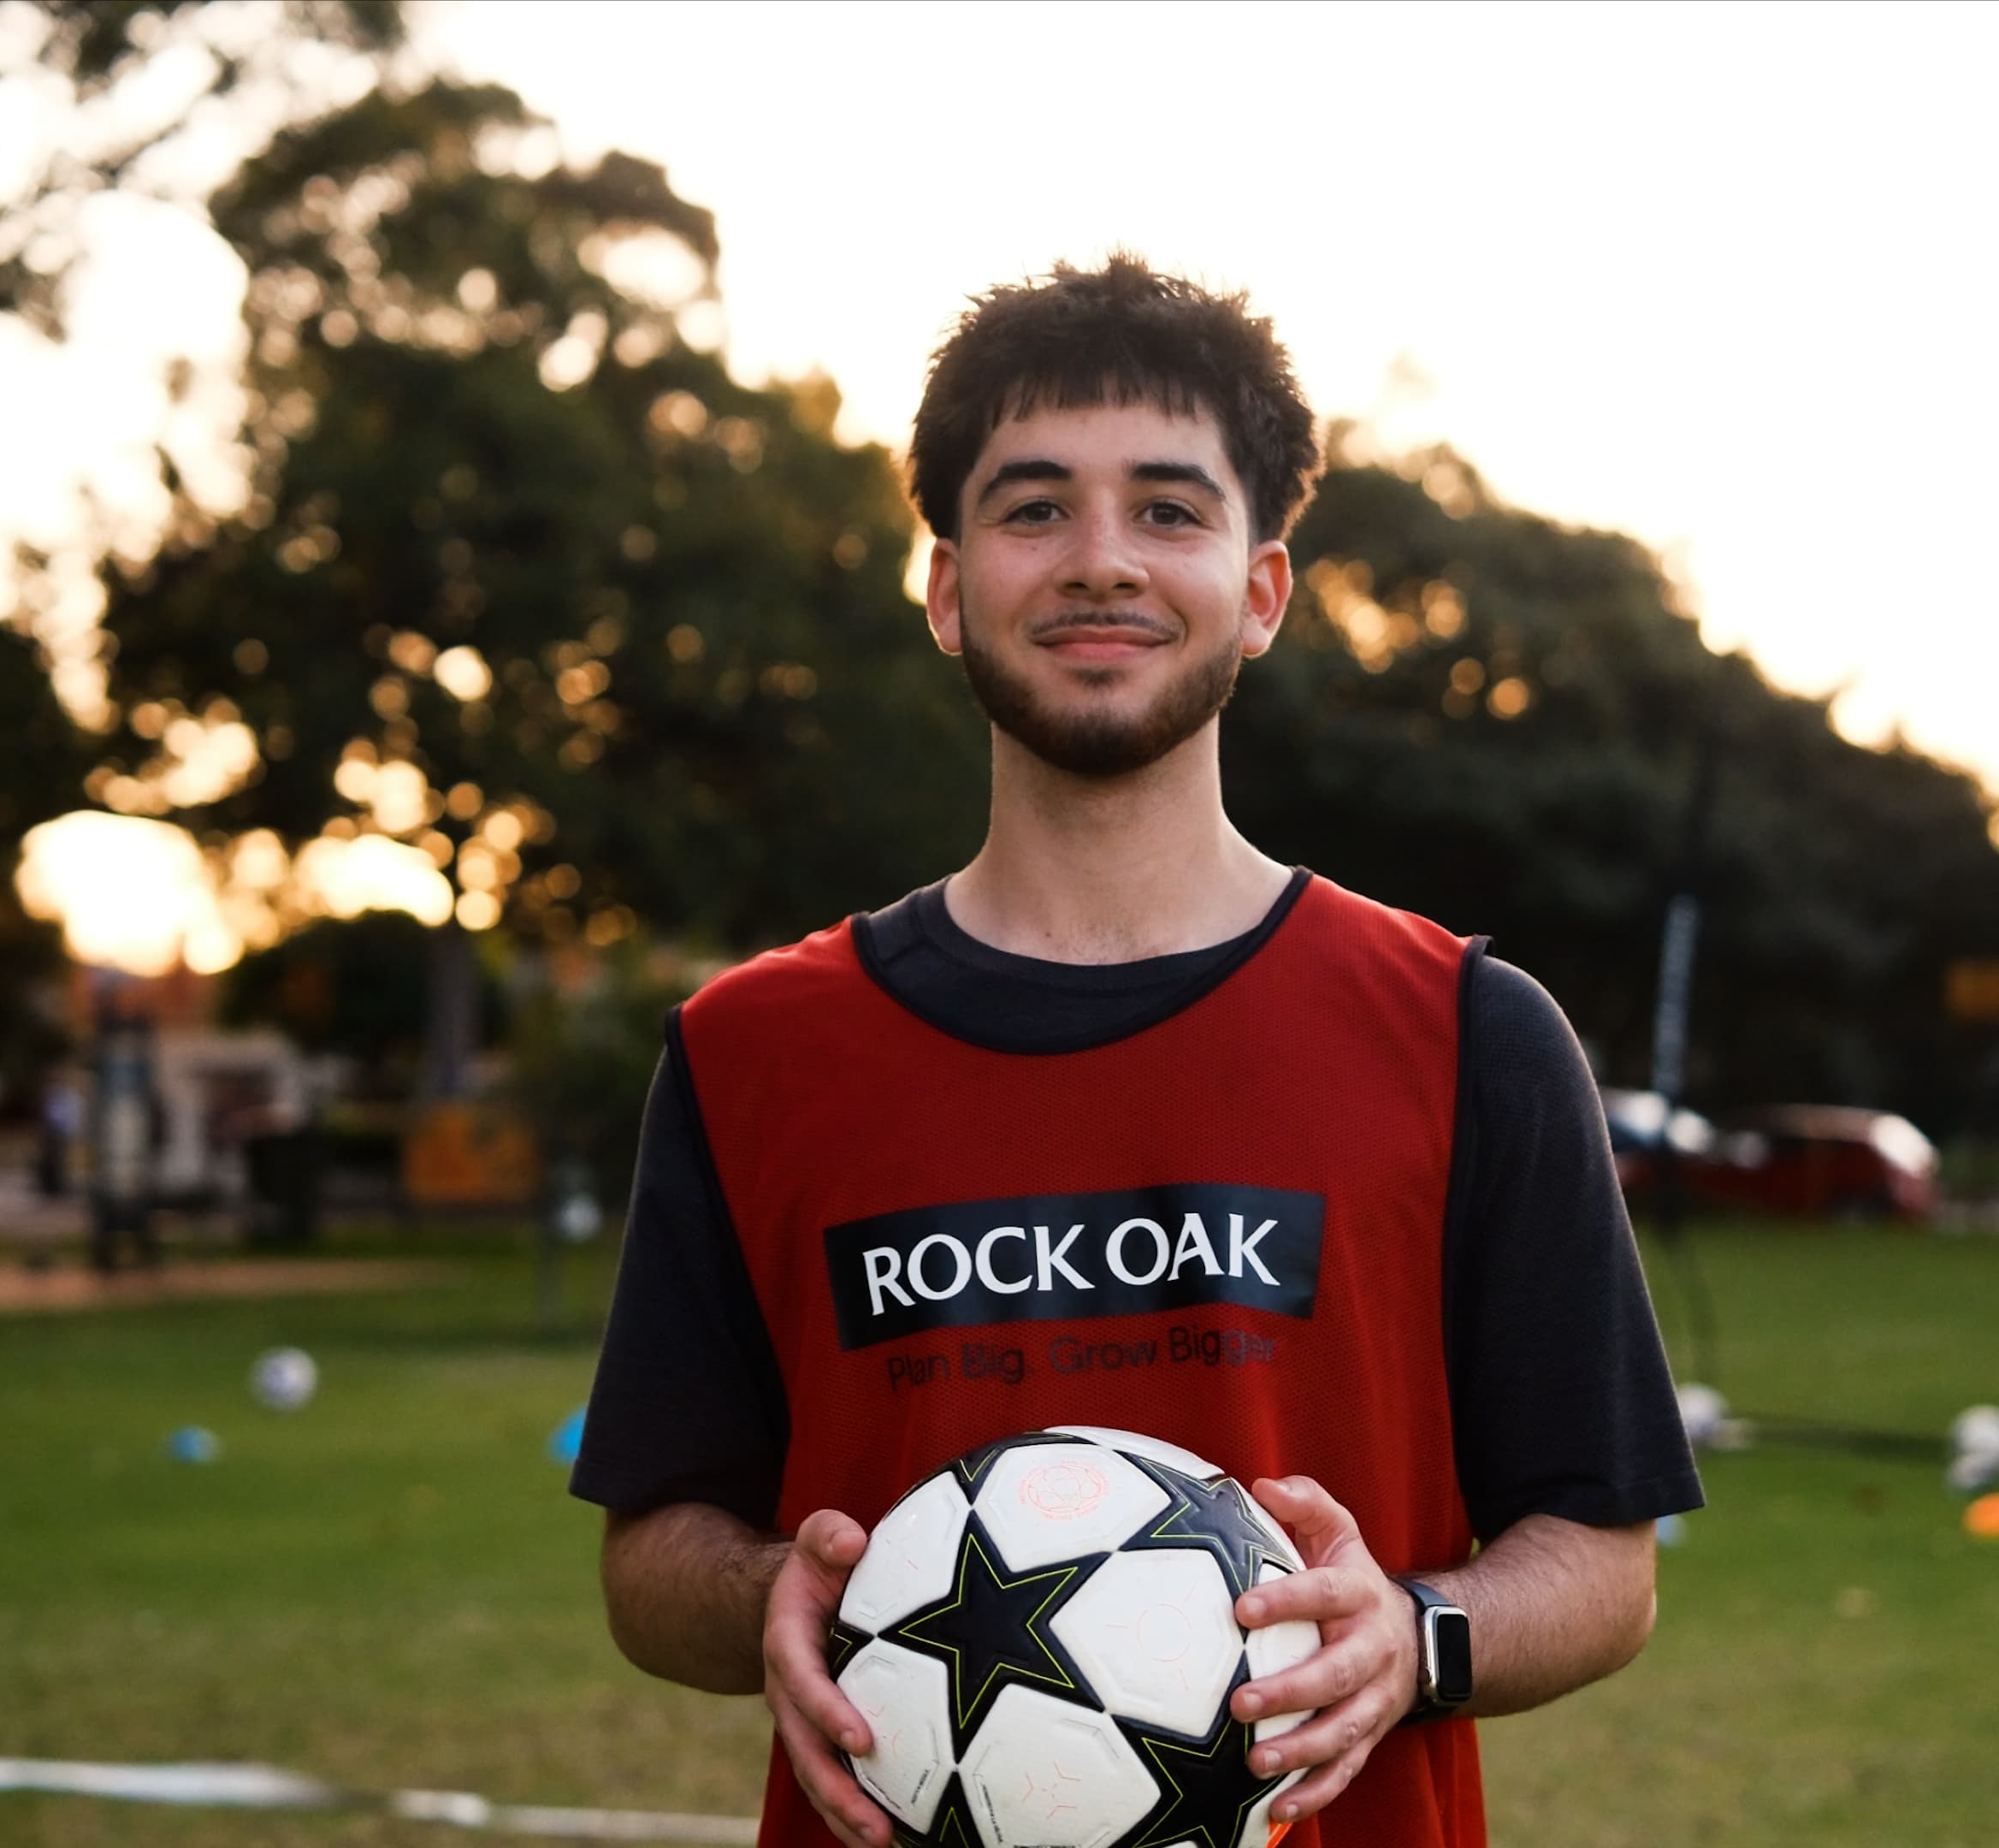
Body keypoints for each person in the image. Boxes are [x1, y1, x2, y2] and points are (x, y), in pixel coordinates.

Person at [571, 256, 1700, 1847]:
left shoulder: (1466, 1031)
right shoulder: (752, 1050)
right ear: (947, 588)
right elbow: (651, 1560)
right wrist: (776, 1595)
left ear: (1262, 590)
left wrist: (1415, 1637)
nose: (1101, 561)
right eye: (1034, 509)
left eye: (1169, 509)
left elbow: (1603, 1563)